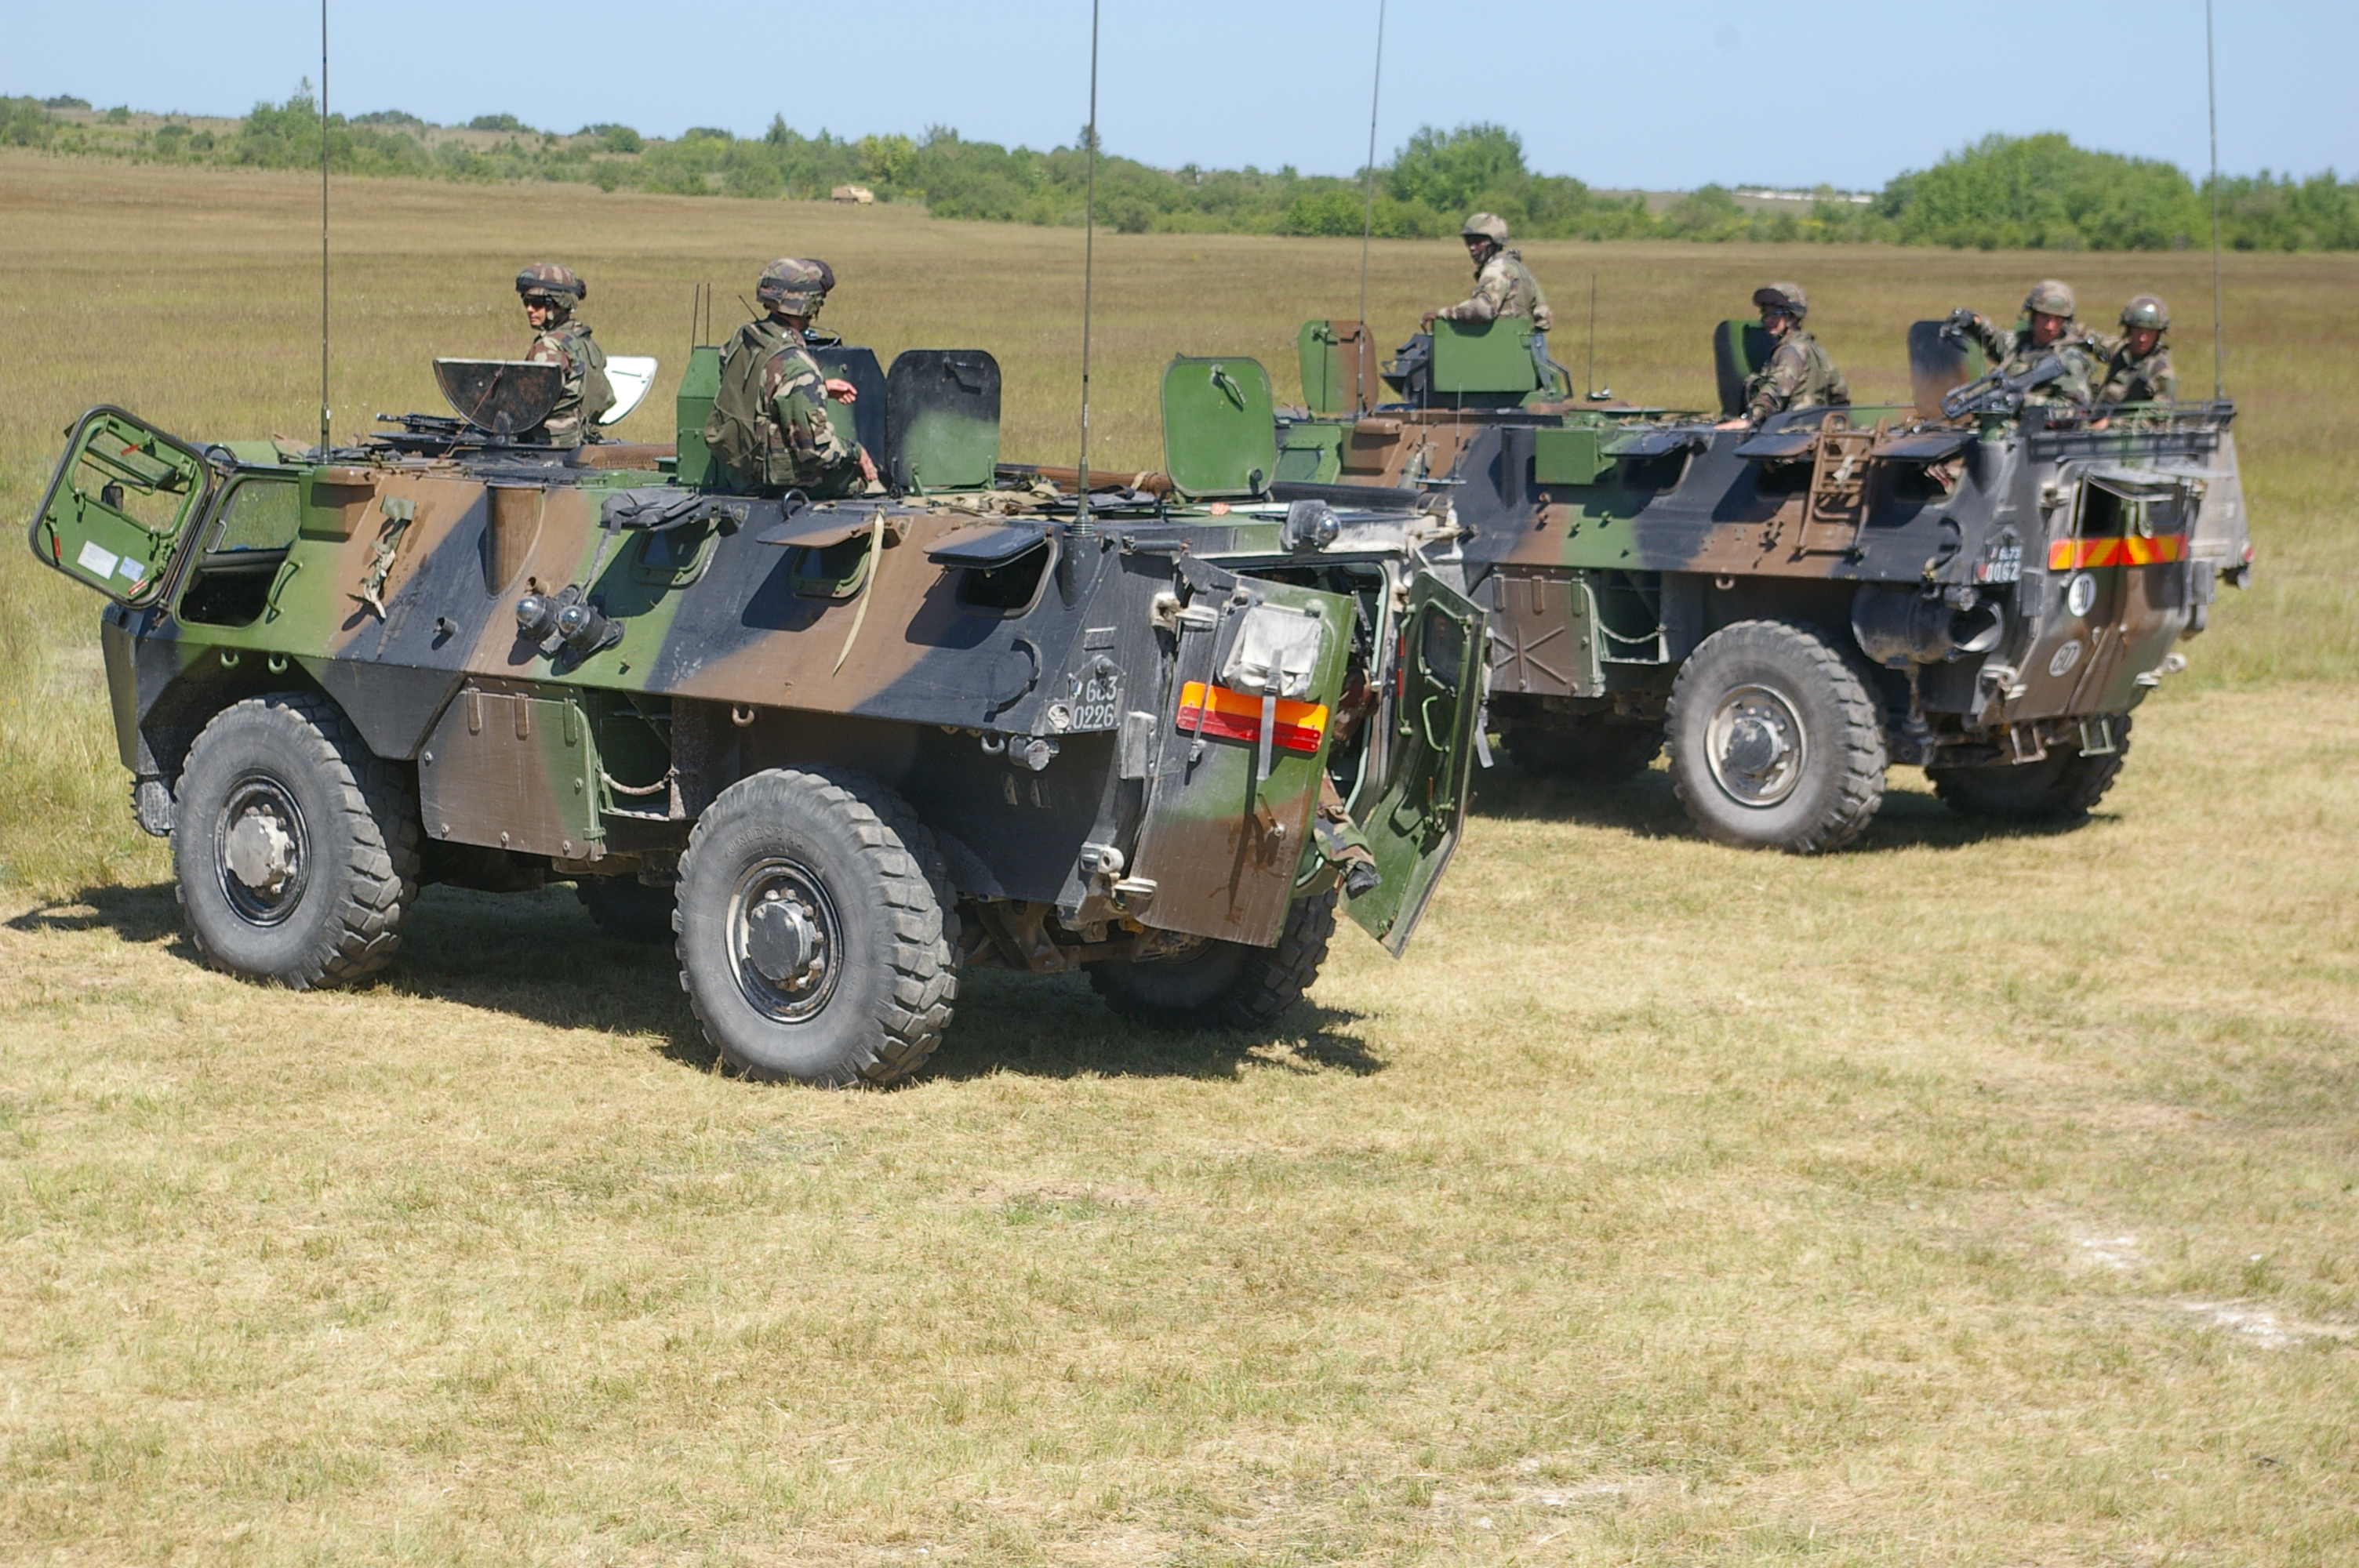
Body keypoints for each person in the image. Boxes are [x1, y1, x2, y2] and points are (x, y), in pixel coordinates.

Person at [702, 257, 877, 496]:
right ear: (811, 303)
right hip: (776, 484)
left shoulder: (744, 338)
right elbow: (817, 451)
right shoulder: (796, 366)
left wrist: (819, 388)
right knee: (870, 484)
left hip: (739, 473)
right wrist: (856, 451)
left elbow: (762, 392)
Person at [1422, 212, 1566, 394]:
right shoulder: (1519, 269)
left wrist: (1443, 314)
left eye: (1478, 242)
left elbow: (1483, 310)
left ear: (1493, 243)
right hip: (1526, 367)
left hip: (1501, 368)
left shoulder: (1496, 270)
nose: (1472, 248)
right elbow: (1544, 319)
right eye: (1469, 243)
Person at [1940, 278, 2103, 410]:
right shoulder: (2020, 345)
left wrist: (2024, 401)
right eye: (2044, 317)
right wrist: (1974, 322)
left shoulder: (2069, 359)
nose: (2050, 326)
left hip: (2043, 439)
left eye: (2057, 319)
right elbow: (1995, 338)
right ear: (2033, 316)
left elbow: (2076, 410)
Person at [1718, 281, 1848, 428]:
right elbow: (1840, 393)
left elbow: (1777, 389)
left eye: (1776, 314)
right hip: (1815, 432)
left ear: (1793, 317)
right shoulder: (1817, 350)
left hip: (1790, 434)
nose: (1769, 320)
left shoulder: (1790, 351)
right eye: (1765, 314)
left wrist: (1752, 418)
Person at [514, 263, 614, 447]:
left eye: (537, 303)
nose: (529, 309)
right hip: (582, 440)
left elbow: (533, 402)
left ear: (560, 304)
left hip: (550, 444)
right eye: (526, 302)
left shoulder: (549, 346)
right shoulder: (584, 340)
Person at [2095, 293, 2176, 405]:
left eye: (2150, 332)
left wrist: (2111, 422)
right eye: (2138, 330)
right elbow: (2094, 342)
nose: (2143, 338)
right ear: (2129, 330)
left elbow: (2157, 418)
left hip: (2126, 421)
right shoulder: (2120, 351)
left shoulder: (2161, 372)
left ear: (2158, 334)